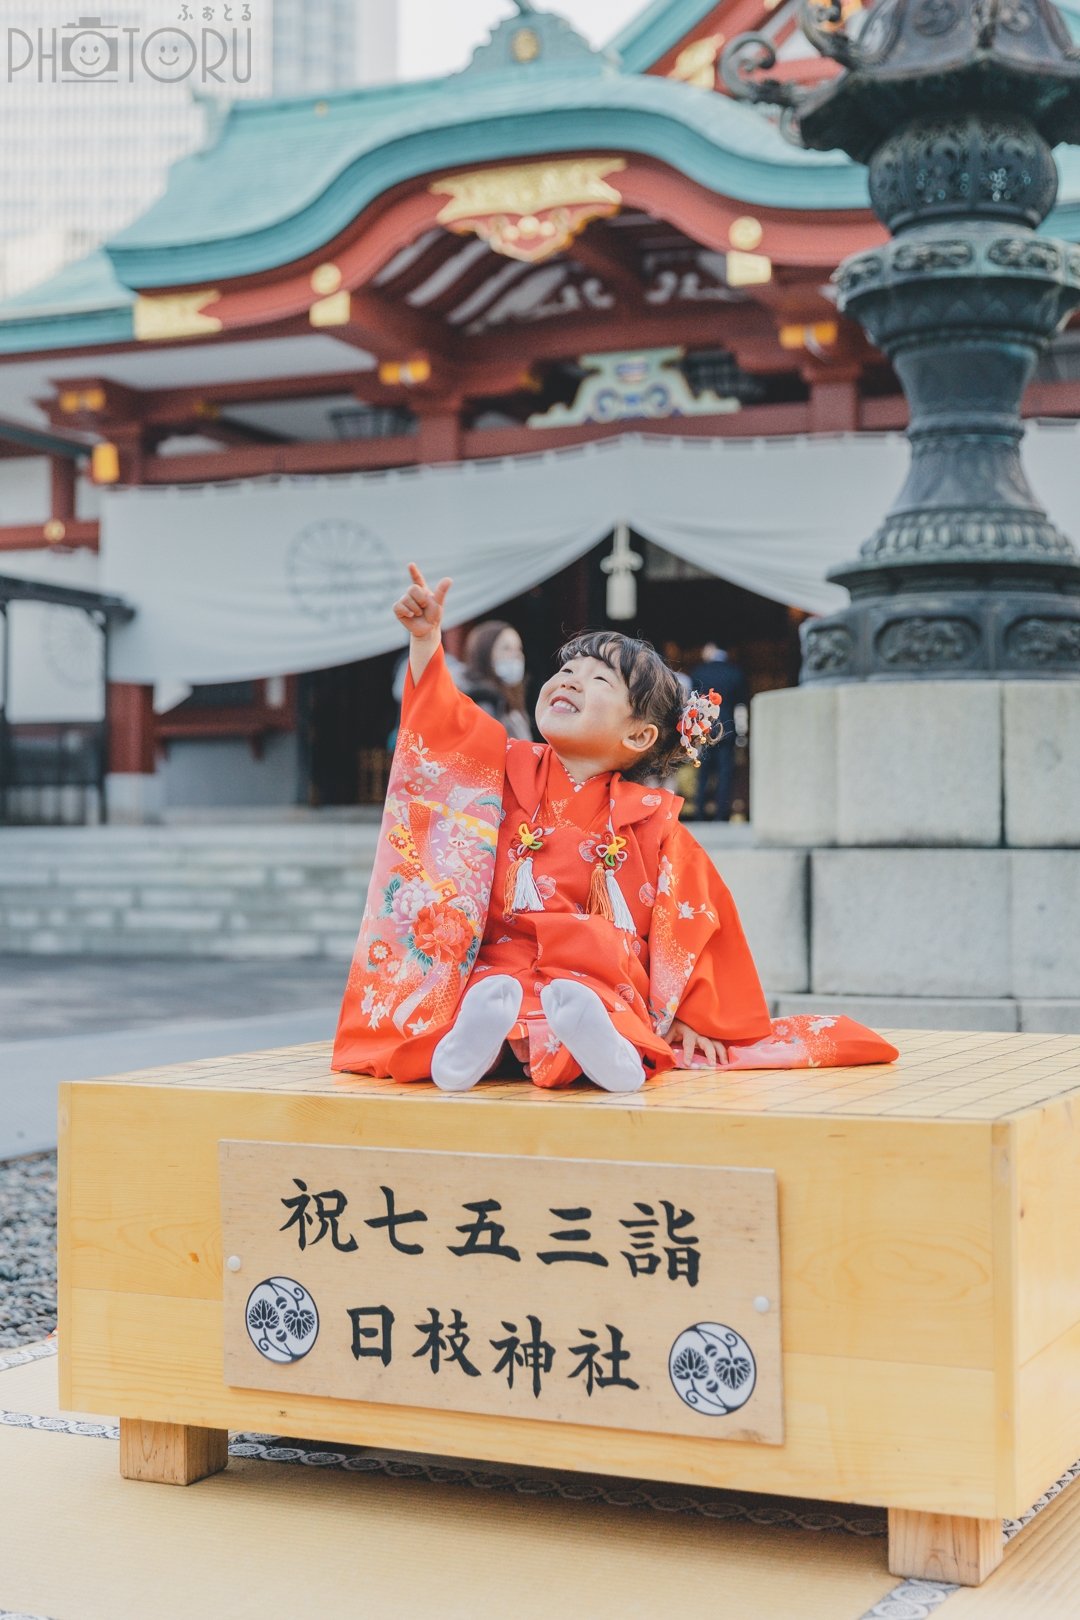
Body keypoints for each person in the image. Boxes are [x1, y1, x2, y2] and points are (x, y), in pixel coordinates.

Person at [333, 564, 774, 1095]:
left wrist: (692, 1013)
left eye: (598, 679)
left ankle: (601, 1049)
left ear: (639, 734)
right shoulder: (500, 766)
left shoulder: (651, 817)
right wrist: (426, 641)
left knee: (596, 1000)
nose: (570, 680)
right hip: (502, 961)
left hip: (600, 975)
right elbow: (446, 726)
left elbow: (694, 920)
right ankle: (473, 1045)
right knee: (487, 993)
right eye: (568, 670)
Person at [690, 641, 747, 822]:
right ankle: (721, 814)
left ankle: (699, 811)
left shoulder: (699, 672)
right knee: (725, 773)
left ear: (712, 648)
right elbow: (742, 704)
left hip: (705, 727)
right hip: (728, 727)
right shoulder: (735, 672)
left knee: (703, 772)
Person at [459, 619, 532, 741]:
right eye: (506, 648)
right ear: (485, 652)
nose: (516, 655)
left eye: (519, 648)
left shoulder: (511, 701)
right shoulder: (480, 701)